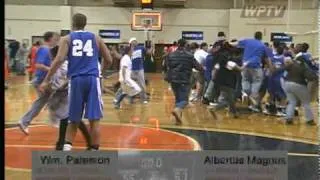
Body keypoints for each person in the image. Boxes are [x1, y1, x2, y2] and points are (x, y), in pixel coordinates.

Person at [39, 13, 112, 151]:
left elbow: (59, 59)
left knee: (74, 119)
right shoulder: (96, 38)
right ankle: (94, 152)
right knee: (94, 120)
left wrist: (46, 79)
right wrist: (100, 73)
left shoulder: (67, 38)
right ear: (85, 24)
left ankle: (66, 151)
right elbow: (108, 59)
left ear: (72, 23)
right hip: (92, 79)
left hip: (76, 80)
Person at [47, 46, 91, 150]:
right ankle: (89, 141)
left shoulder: (67, 65)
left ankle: (61, 143)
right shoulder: (55, 66)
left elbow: (72, 77)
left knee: (67, 118)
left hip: (71, 94)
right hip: (61, 95)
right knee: (72, 119)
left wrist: (62, 86)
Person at [18, 32, 60, 135]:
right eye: (55, 38)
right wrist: (51, 69)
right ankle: (25, 121)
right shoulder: (45, 49)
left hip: (44, 80)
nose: (57, 40)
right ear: (50, 38)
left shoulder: (48, 50)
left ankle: (55, 119)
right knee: (48, 99)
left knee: (50, 98)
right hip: (41, 80)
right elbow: (38, 65)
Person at [230, 31, 271, 112]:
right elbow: (266, 59)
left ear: (254, 36)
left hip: (245, 65)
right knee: (256, 82)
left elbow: (234, 44)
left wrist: (226, 43)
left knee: (245, 80)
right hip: (256, 66)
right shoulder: (262, 45)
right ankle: (254, 103)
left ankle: (245, 92)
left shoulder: (247, 41)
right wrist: (270, 68)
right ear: (261, 37)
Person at [165, 39, 203, 125]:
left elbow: (168, 66)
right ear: (186, 45)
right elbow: (198, 67)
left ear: (178, 44)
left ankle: (178, 119)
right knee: (185, 100)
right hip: (184, 79)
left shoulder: (171, 55)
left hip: (173, 80)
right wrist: (202, 68)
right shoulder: (189, 55)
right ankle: (177, 110)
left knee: (178, 99)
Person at [275, 56, 317, 125]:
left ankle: (289, 118)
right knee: (306, 102)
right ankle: (310, 120)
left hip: (287, 84)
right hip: (298, 85)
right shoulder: (304, 66)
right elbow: (311, 77)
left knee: (292, 102)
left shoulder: (291, 64)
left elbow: (281, 69)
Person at [208, 41, 243, 118]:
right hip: (228, 82)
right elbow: (239, 69)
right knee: (229, 99)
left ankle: (235, 113)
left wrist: (214, 78)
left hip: (219, 81)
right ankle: (214, 108)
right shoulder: (229, 60)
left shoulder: (218, 57)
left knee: (229, 98)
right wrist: (247, 64)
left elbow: (215, 69)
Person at [129, 37, 152, 104]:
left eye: (135, 41)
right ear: (130, 43)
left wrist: (152, 47)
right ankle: (131, 98)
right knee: (131, 85)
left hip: (139, 69)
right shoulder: (129, 50)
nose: (135, 42)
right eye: (133, 41)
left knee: (142, 84)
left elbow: (148, 53)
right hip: (131, 69)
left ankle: (144, 98)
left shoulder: (141, 48)